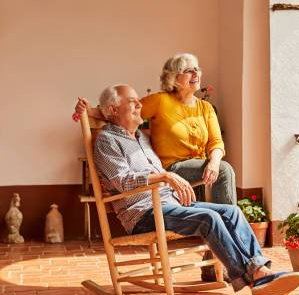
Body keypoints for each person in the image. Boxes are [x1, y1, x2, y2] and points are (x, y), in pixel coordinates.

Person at [89, 83, 299, 295]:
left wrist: (170, 184)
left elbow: (113, 114)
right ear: (113, 110)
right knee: (208, 219)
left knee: (232, 212)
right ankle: (256, 280)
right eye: (132, 101)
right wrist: (165, 177)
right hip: (143, 213)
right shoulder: (107, 141)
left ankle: (259, 270)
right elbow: (122, 181)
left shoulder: (141, 137)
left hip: (168, 202)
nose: (140, 104)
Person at [74, 53, 236, 205]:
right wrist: (89, 110)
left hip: (199, 168)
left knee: (219, 171)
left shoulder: (206, 107)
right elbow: (127, 113)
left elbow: (216, 143)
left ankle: (225, 225)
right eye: (189, 70)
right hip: (170, 168)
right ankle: (231, 226)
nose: (196, 73)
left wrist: (213, 163)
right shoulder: (160, 101)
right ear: (174, 78)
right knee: (224, 170)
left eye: (197, 69)